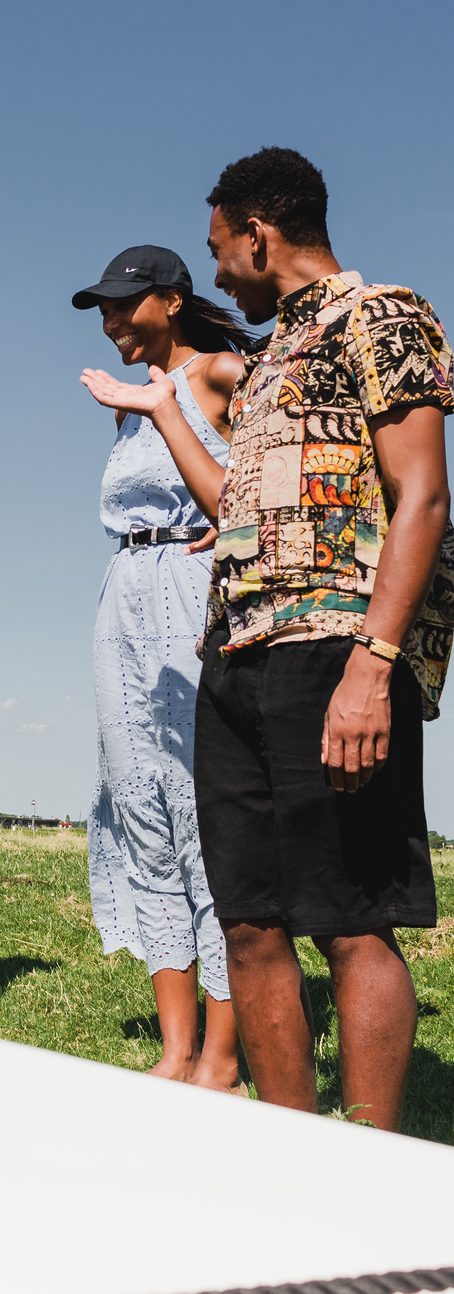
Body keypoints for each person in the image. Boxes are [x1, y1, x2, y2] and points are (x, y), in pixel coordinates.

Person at [89, 148, 453, 1129]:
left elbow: (423, 496)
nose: (214, 275)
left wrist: (376, 668)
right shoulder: (267, 359)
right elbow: (227, 506)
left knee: (349, 922)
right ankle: (281, 1155)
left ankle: (368, 1162)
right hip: (234, 653)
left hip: (337, 647)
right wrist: (164, 414)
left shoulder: (380, 316)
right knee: (249, 922)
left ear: (259, 232)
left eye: (220, 250)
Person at [76, 245, 250, 1091]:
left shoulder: (222, 370)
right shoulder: (128, 408)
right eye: (102, 310)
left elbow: (286, 462)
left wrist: (243, 516)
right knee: (139, 802)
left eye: (124, 305)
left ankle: (222, 1053)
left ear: (172, 301)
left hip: (192, 590)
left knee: (201, 808)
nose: (111, 322)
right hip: (125, 594)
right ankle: (176, 1048)